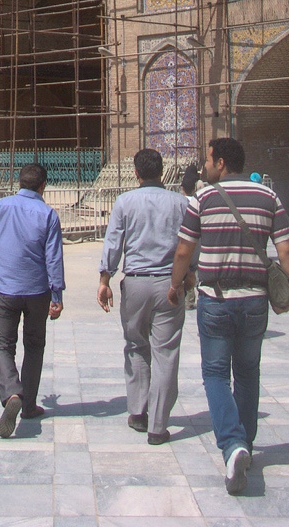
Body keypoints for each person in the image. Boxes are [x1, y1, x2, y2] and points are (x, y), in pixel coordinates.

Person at [169, 137, 289, 496]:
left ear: (221, 162)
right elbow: (284, 249)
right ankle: (247, 443)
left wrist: (175, 284)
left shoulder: (203, 198)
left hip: (216, 298)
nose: (203, 166)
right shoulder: (267, 197)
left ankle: (232, 444)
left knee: (214, 374)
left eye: (207, 160)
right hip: (255, 299)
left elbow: (184, 250)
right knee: (247, 373)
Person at [97, 149, 195, 445]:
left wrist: (105, 279)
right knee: (165, 353)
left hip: (136, 283)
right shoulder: (182, 203)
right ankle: (158, 425)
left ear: (136, 174)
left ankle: (138, 412)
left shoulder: (125, 201)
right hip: (170, 284)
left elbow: (114, 242)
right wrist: (189, 275)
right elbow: (191, 243)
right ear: (161, 170)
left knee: (136, 346)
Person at [0, 162, 64, 438]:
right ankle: (29, 404)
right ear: (43, 186)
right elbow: (54, 258)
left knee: (2, 345)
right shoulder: (48, 214)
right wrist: (56, 294)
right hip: (37, 292)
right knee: (34, 346)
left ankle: (12, 391)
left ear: (19, 183)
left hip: (5, 289)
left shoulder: (2, 206)